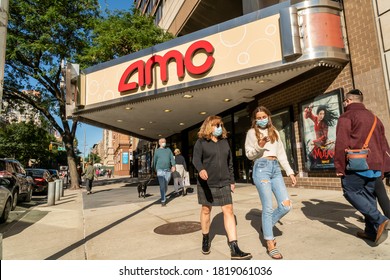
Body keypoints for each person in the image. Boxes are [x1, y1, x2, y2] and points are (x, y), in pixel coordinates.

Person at [192, 115, 252, 260]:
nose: (219, 128)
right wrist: (200, 169)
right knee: (206, 210)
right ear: (209, 126)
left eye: (220, 125)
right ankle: (206, 238)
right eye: (216, 125)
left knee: (229, 210)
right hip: (207, 183)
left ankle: (234, 247)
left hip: (224, 182)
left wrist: (232, 180)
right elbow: (195, 159)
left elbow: (230, 162)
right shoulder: (201, 142)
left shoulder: (224, 142)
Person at [334, 89, 389, 245]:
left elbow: (341, 143)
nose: (344, 104)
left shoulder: (346, 117)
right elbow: (384, 145)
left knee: (350, 191)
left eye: (345, 101)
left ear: (349, 101)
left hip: (356, 165)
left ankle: (380, 220)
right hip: (376, 165)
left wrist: (339, 166)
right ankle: (371, 232)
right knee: (368, 196)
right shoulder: (375, 118)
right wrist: (384, 167)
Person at [245, 106, 297, 260]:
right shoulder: (251, 133)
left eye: (264, 116)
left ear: (269, 117)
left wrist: (289, 171)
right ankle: (270, 242)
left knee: (286, 205)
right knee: (267, 207)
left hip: (275, 169)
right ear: (255, 120)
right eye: (259, 117)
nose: (262, 119)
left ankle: (266, 224)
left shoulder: (275, 132)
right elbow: (249, 155)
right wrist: (259, 145)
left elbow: (281, 154)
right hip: (261, 168)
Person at [153, 138, 176, 206]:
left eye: (165, 141)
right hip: (160, 170)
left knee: (165, 185)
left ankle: (163, 194)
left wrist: (173, 165)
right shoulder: (157, 151)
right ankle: (163, 200)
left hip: (168, 170)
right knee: (162, 185)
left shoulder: (168, 150)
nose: (164, 143)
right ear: (159, 143)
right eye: (162, 142)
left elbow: (172, 158)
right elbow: (155, 161)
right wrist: (155, 169)